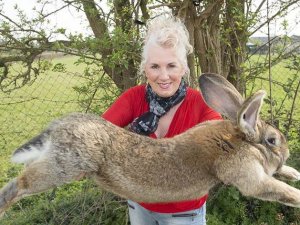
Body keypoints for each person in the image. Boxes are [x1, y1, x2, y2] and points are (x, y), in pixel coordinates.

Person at [102, 16, 222, 225]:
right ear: (145, 68)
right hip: (139, 205)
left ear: (183, 68)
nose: (163, 76)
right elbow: (97, 133)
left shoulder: (202, 105)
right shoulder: (133, 98)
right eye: (155, 66)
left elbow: (218, 150)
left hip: (185, 213)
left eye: (171, 66)